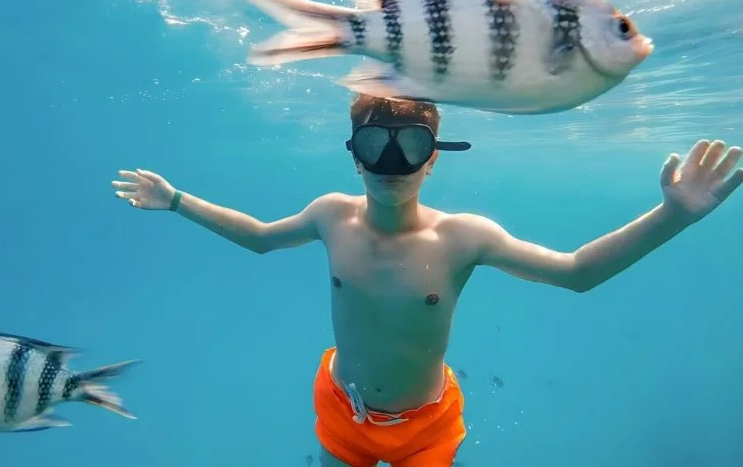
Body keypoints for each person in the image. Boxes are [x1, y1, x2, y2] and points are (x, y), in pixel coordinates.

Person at [110, 94, 742, 467]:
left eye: (409, 146)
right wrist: (177, 201)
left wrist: (673, 215)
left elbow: (577, 274)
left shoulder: (464, 236)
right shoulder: (331, 215)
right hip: (342, 407)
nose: (391, 164)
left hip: (428, 424)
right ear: (352, 152)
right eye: (373, 146)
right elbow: (256, 237)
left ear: (434, 155)